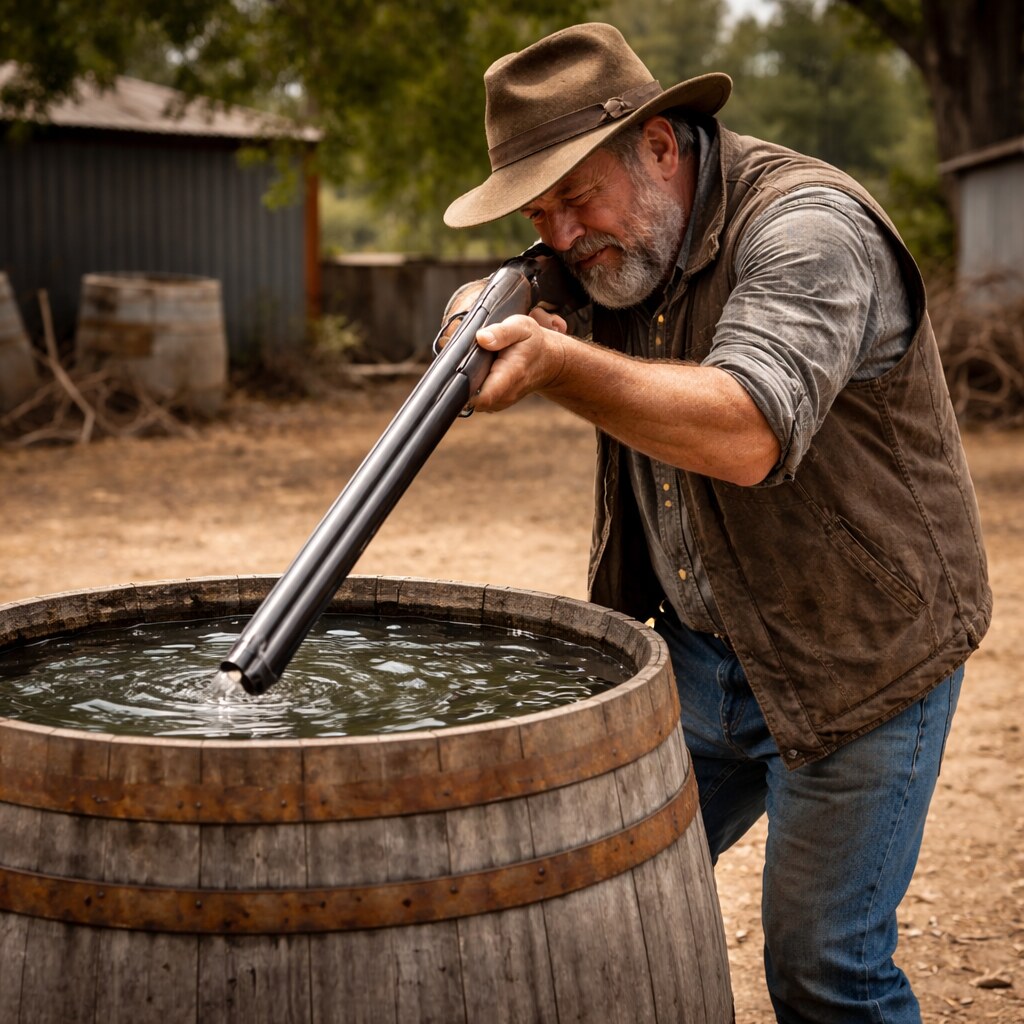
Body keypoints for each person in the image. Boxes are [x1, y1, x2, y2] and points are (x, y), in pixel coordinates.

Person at [440, 22, 992, 1024]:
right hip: (694, 654)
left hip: (855, 654)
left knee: (826, 972)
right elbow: (540, 275)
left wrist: (560, 367)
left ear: (659, 144)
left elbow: (747, 431)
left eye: (575, 196)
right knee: (581, 901)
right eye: (538, 209)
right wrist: (473, 315)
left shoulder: (808, 231)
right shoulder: (616, 240)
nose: (561, 232)